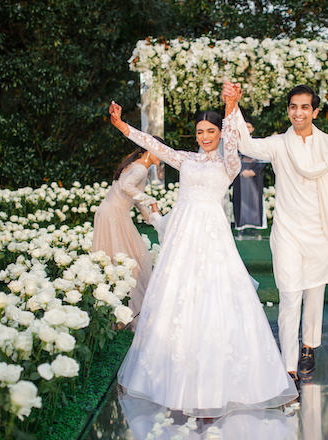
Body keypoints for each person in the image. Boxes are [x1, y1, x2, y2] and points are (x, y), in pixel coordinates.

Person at [110, 90, 297, 417]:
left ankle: (216, 388)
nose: (205, 136)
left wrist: (230, 106)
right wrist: (122, 126)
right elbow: (154, 145)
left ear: (221, 134)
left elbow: (234, 139)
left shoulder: (230, 163)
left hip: (212, 239)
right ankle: (164, 380)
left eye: (211, 131)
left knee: (216, 301)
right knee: (174, 301)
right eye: (200, 132)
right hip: (182, 239)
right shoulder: (186, 159)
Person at [222, 81, 328, 384]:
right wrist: (232, 106)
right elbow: (246, 145)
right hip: (287, 231)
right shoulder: (278, 144)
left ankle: (309, 347)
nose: (299, 113)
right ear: (288, 110)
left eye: (305, 107)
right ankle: (288, 363)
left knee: (314, 294)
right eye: (294, 107)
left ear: (315, 111)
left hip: (321, 232)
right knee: (289, 295)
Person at [92, 147, 162, 331]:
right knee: (132, 262)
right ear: (150, 151)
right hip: (114, 216)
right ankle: (125, 315)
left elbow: (135, 199)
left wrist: (152, 217)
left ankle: (121, 313)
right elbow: (126, 187)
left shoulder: (136, 166)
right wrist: (151, 200)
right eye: (160, 151)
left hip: (111, 214)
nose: (163, 156)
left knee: (123, 261)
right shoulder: (140, 169)